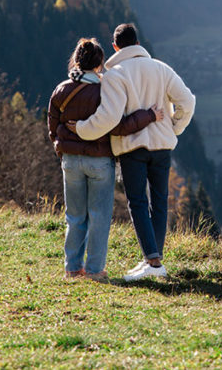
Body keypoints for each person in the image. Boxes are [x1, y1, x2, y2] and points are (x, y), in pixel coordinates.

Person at [67, 23, 195, 281]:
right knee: (160, 202)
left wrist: (81, 129)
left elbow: (108, 118)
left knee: (138, 202)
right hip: (162, 146)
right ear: (138, 43)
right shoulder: (162, 68)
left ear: (115, 47)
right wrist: (174, 127)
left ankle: (153, 262)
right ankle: (153, 260)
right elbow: (188, 101)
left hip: (132, 148)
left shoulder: (115, 75)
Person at [48, 37, 162, 282]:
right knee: (99, 216)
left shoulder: (61, 89)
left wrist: (62, 148)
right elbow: (118, 126)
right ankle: (94, 270)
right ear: (100, 62)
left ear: (76, 60)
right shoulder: (104, 90)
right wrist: (148, 116)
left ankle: (72, 269)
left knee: (75, 216)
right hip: (99, 160)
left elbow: (52, 125)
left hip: (70, 160)